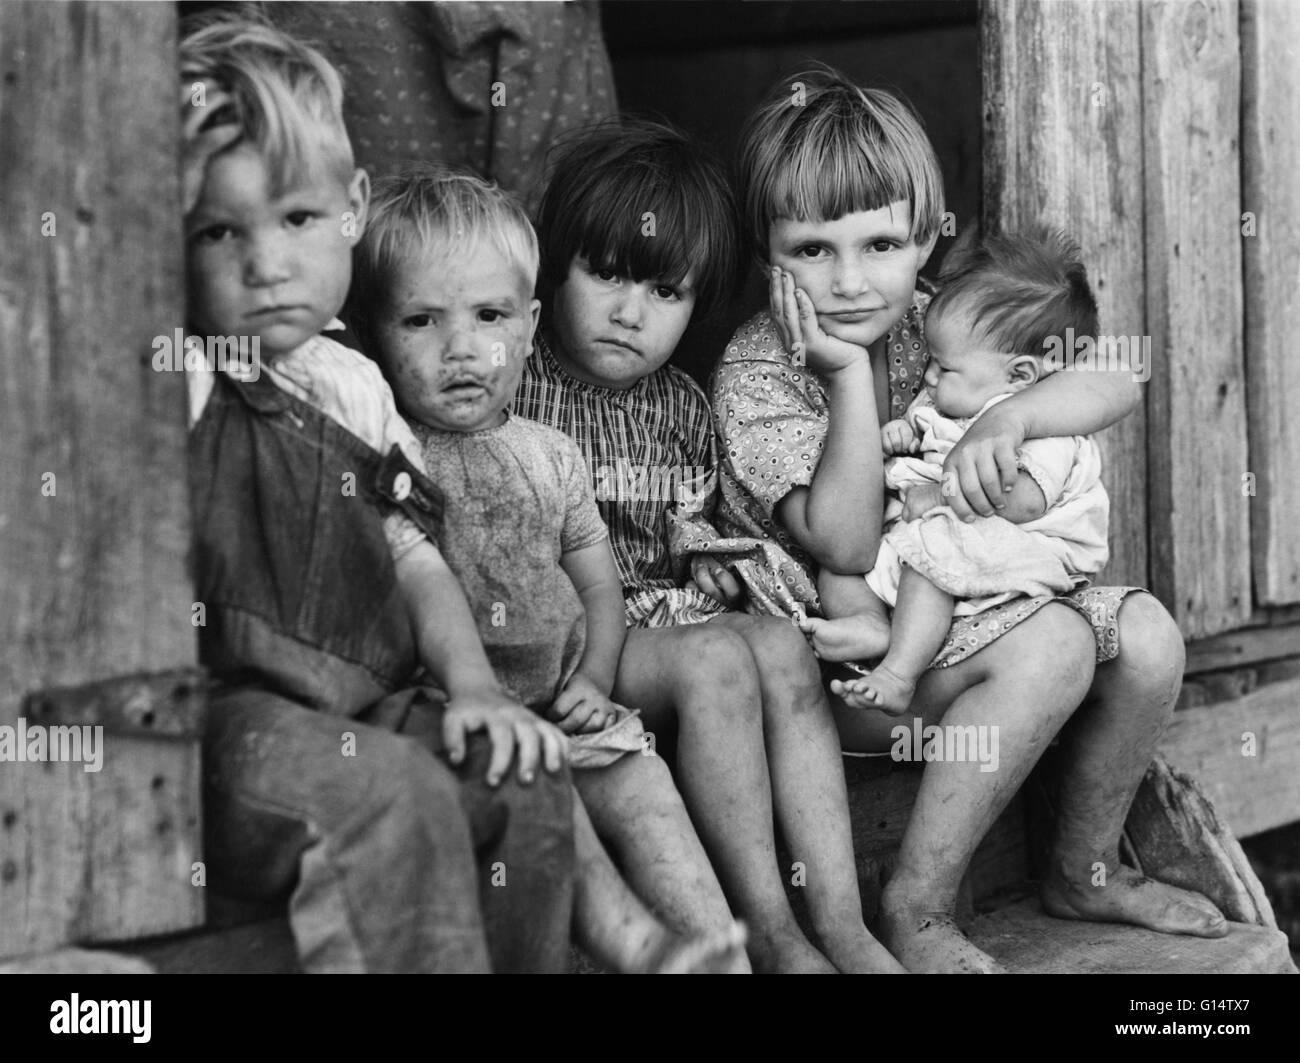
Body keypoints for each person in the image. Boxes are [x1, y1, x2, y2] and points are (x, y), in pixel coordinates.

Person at [179, 13, 730, 975]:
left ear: (350, 209)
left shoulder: (355, 387)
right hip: (233, 713)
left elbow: (412, 553)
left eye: (298, 220)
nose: (266, 264)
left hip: (368, 695)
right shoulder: (186, 374)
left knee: (520, 763)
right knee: (399, 793)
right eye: (221, 230)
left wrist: (476, 690)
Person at [691, 68, 1226, 972]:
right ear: (764, 253)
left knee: (1146, 635)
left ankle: (1083, 868)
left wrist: (1014, 415)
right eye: (812, 250)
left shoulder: (943, 317)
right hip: (857, 681)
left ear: (924, 241)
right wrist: (847, 379)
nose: (852, 280)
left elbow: (1119, 376)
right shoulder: (757, 375)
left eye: (881, 244)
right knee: (1055, 644)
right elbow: (849, 542)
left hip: (975, 618)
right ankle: (918, 904)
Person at [514, 118, 904, 973]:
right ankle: (766, 926)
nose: (629, 312)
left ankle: (839, 922)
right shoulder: (515, 386)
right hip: (573, 644)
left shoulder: (684, 405)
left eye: (665, 293)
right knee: (715, 664)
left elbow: (696, 540)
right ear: (554, 267)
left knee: (774, 643)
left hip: (664, 617)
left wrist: (725, 582)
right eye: (606, 274)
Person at [347, 165, 747, 971]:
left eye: (489, 316)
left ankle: (713, 955)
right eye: (420, 320)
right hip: (459, 723)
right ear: (373, 332)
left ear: (529, 327)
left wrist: (595, 682)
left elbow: (598, 584)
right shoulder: (387, 454)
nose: (461, 348)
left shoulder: (551, 454)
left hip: (567, 706)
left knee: (642, 787)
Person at [804, 229, 1111, 716]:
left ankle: (899, 673)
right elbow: (927, 431)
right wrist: (902, 436)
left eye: (943, 369)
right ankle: (869, 623)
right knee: (840, 567)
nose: (928, 376)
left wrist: (936, 496)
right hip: (952, 537)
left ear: (1021, 376)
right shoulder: (963, 391)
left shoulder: (1046, 433)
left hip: (1022, 548)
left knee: (931, 560)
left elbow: (1026, 501)